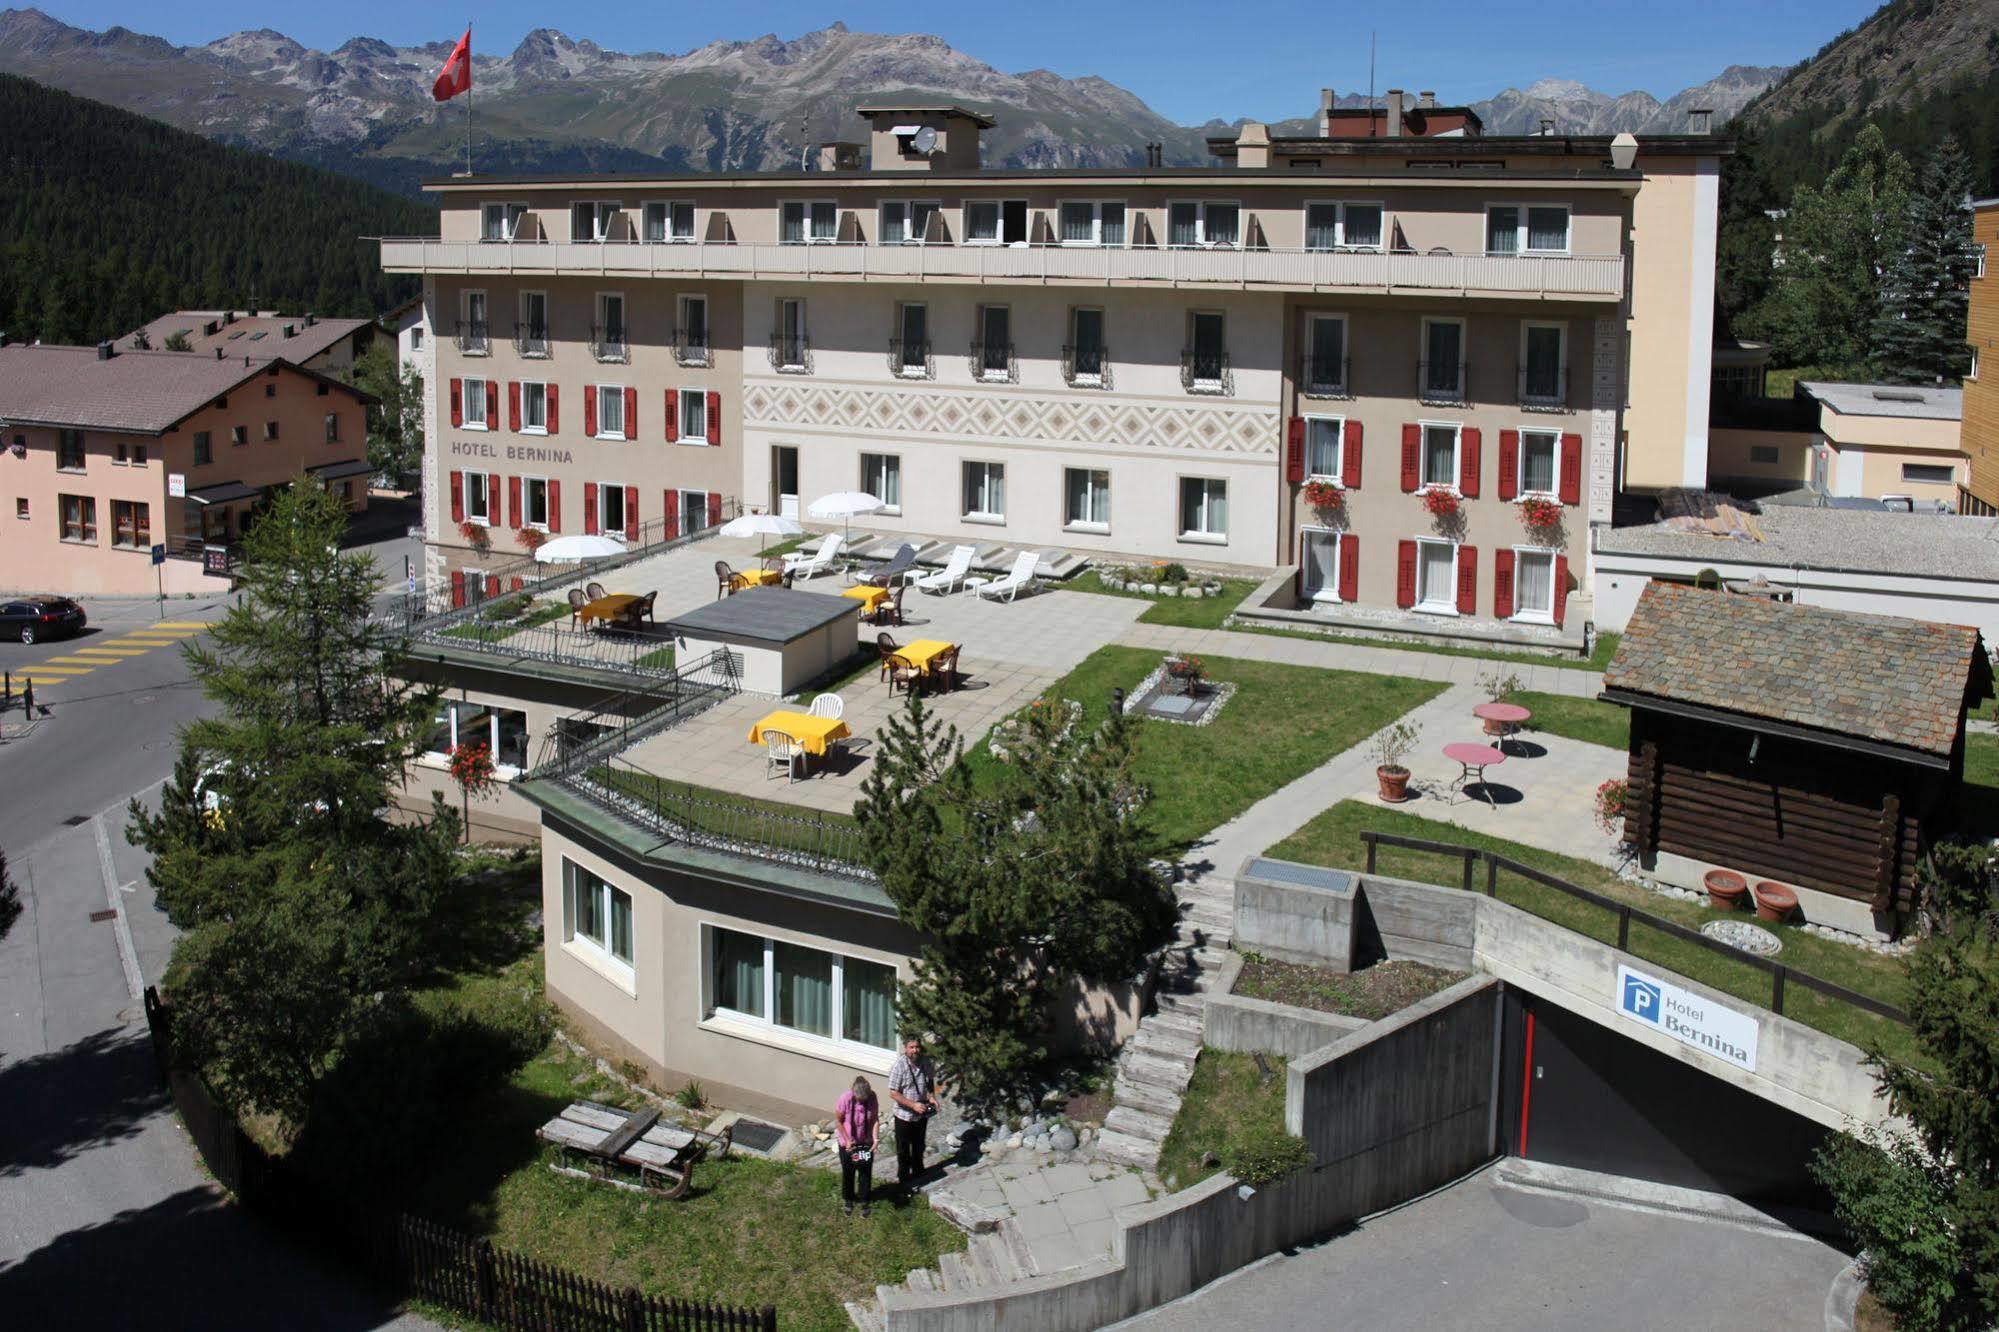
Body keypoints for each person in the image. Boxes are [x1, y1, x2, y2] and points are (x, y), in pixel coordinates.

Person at [887, 1033, 939, 1195]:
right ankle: (904, 1178)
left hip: (920, 1112)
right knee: (903, 1149)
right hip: (904, 1115)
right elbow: (893, 1093)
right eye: (911, 1047)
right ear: (905, 1048)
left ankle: (919, 1172)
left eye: (917, 1047)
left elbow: (929, 1080)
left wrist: (931, 1097)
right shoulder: (899, 1067)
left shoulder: (925, 1062)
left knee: (919, 1144)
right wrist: (913, 1105)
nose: (915, 1050)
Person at [834, 1075, 880, 1217]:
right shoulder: (845, 1099)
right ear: (853, 1092)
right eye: (859, 1099)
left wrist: (875, 1139)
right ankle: (849, 1199)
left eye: (864, 1099)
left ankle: (864, 1200)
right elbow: (838, 1121)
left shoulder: (872, 1098)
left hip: (865, 1142)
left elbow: (874, 1119)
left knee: (865, 1172)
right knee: (849, 1172)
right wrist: (847, 1140)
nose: (861, 1102)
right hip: (849, 1143)